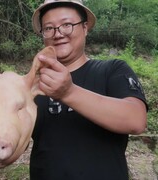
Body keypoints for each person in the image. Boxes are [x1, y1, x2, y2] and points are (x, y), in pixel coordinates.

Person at [29, 0, 148, 179]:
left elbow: (136, 120)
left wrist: (68, 92)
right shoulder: (35, 84)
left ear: (85, 28)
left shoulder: (112, 70)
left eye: (67, 25)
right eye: (48, 28)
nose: (58, 33)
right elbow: (15, 138)